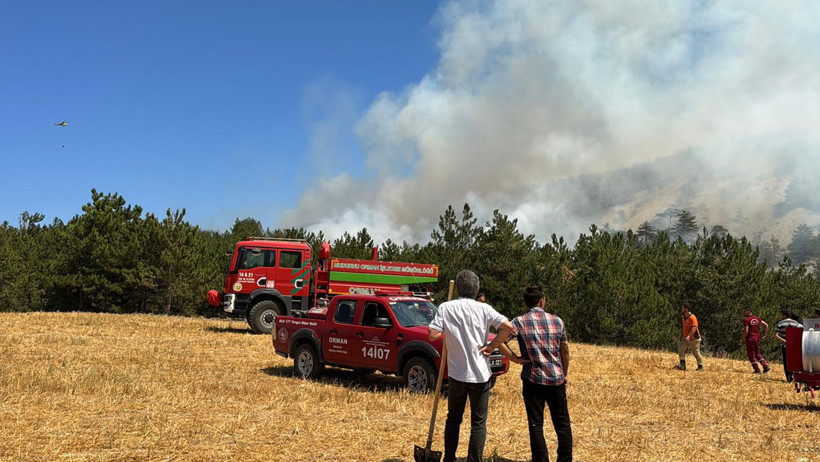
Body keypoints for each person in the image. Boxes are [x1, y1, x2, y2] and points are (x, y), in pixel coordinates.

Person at [428, 270, 515, 462]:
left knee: (453, 418)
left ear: (458, 288)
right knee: (478, 423)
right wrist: (492, 346)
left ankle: (449, 458)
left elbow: (433, 334)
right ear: (476, 291)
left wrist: (448, 333)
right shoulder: (485, 309)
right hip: (481, 375)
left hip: (457, 375)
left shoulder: (446, 307)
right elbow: (508, 327)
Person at [494, 285, 572, 462]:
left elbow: (500, 341)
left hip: (533, 379)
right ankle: (565, 459)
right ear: (542, 301)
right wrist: (564, 373)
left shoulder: (519, 322)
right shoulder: (557, 321)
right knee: (562, 424)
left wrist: (514, 358)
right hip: (556, 379)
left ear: (526, 303)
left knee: (536, 424)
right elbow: (565, 349)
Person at [774, 309, 802, 383]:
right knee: (795, 361)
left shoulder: (780, 324)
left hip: (785, 345)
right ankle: (796, 377)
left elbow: (776, 335)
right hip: (795, 345)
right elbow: (801, 333)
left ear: (784, 315)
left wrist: (785, 341)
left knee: (786, 361)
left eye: (782, 315)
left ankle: (789, 379)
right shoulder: (796, 323)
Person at [740, 308, 770, 374]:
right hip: (757, 338)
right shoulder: (757, 318)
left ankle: (757, 370)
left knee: (751, 354)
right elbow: (766, 325)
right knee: (757, 353)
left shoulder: (746, 320)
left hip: (750, 338)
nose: (743, 313)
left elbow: (746, 331)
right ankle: (765, 366)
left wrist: (741, 339)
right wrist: (764, 334)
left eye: (744, 311)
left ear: (748, 312)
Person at [675, 302, 703, 371]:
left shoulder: (692, 317)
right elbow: (684, 327)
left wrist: (689, 336)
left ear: (686, 309)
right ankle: (682, 365)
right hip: (685, 337)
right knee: (680, 348)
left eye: (683, 308)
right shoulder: (683, 317)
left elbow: (694, 327)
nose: (681, 309)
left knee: (696, 353)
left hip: (694, 339)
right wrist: (682, 335)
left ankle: (700, 366)